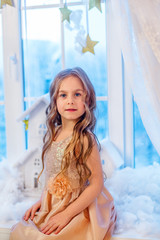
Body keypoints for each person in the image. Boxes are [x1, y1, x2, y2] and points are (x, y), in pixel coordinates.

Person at [10, 67, 116, 240]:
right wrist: (42, 202)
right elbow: (52, 175)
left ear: (88, 100)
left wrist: (66, 215)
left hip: (78, 204)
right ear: (55, 100)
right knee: (20, 232)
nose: (70, 101)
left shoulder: (84, 138)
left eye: (77, 94)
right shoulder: (55, 133)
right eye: (63, 95)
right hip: (56, 202)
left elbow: (96, 183)